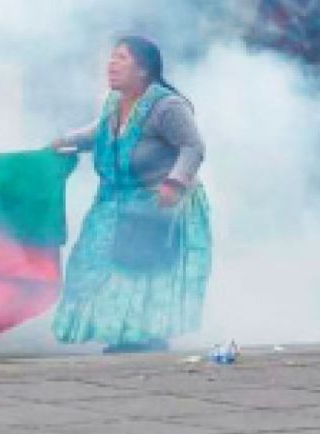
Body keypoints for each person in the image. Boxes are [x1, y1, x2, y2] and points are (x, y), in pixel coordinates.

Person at [50, 36, 212, 353]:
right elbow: (97, 133)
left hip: (157, 204)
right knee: (95, 265)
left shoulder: (167, 107)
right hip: (116, 202)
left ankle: (142, 337)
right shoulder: (115, 103)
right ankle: (123, 334)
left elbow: (193, 147)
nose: (111, 64)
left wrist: (174, 184)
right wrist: (61, 143)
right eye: (111, 57)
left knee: (139, 271)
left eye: (121, 58)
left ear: (143, 69)